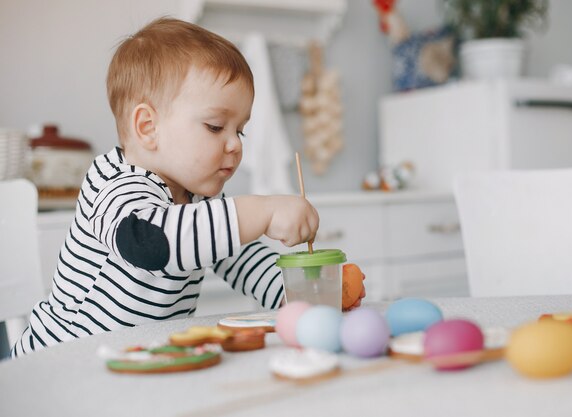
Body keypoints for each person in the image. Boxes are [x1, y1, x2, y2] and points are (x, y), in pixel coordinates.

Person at [12, 17, 363, 358]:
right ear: (148, 127)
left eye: (240, 130)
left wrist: (296, 298)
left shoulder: (200, 202)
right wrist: (261, 210)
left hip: (138, 361)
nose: (236, 145)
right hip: (62, 361)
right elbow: (149, 242)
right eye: (215, 127)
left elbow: (244, 259)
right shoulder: (113, 182)